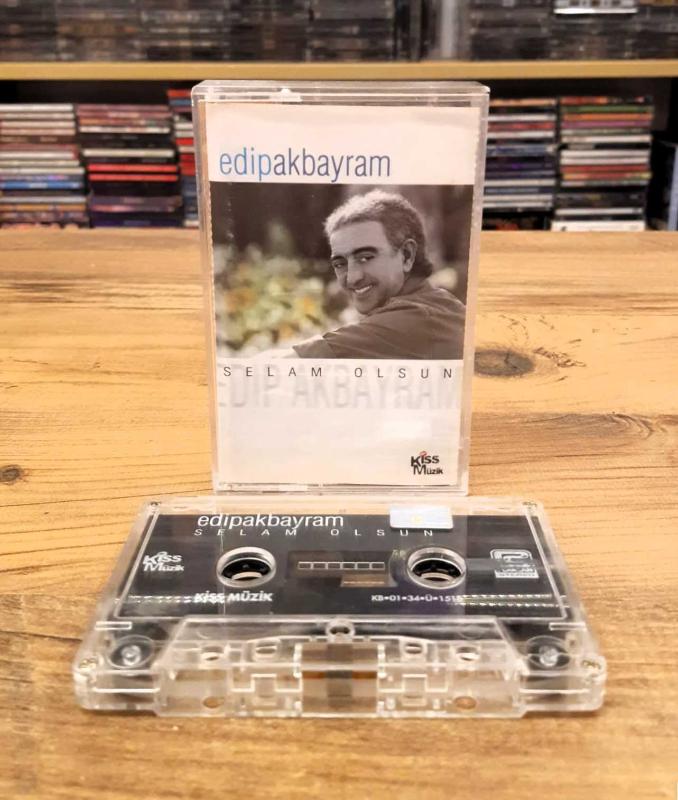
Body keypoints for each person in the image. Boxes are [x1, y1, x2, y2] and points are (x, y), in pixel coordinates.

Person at [290, 190, 466, 359]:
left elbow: (282, 366)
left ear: (406, 255)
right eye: (340, 264)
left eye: (365, 258)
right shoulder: (438, 305)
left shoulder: (411, 319)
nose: (352, 278)